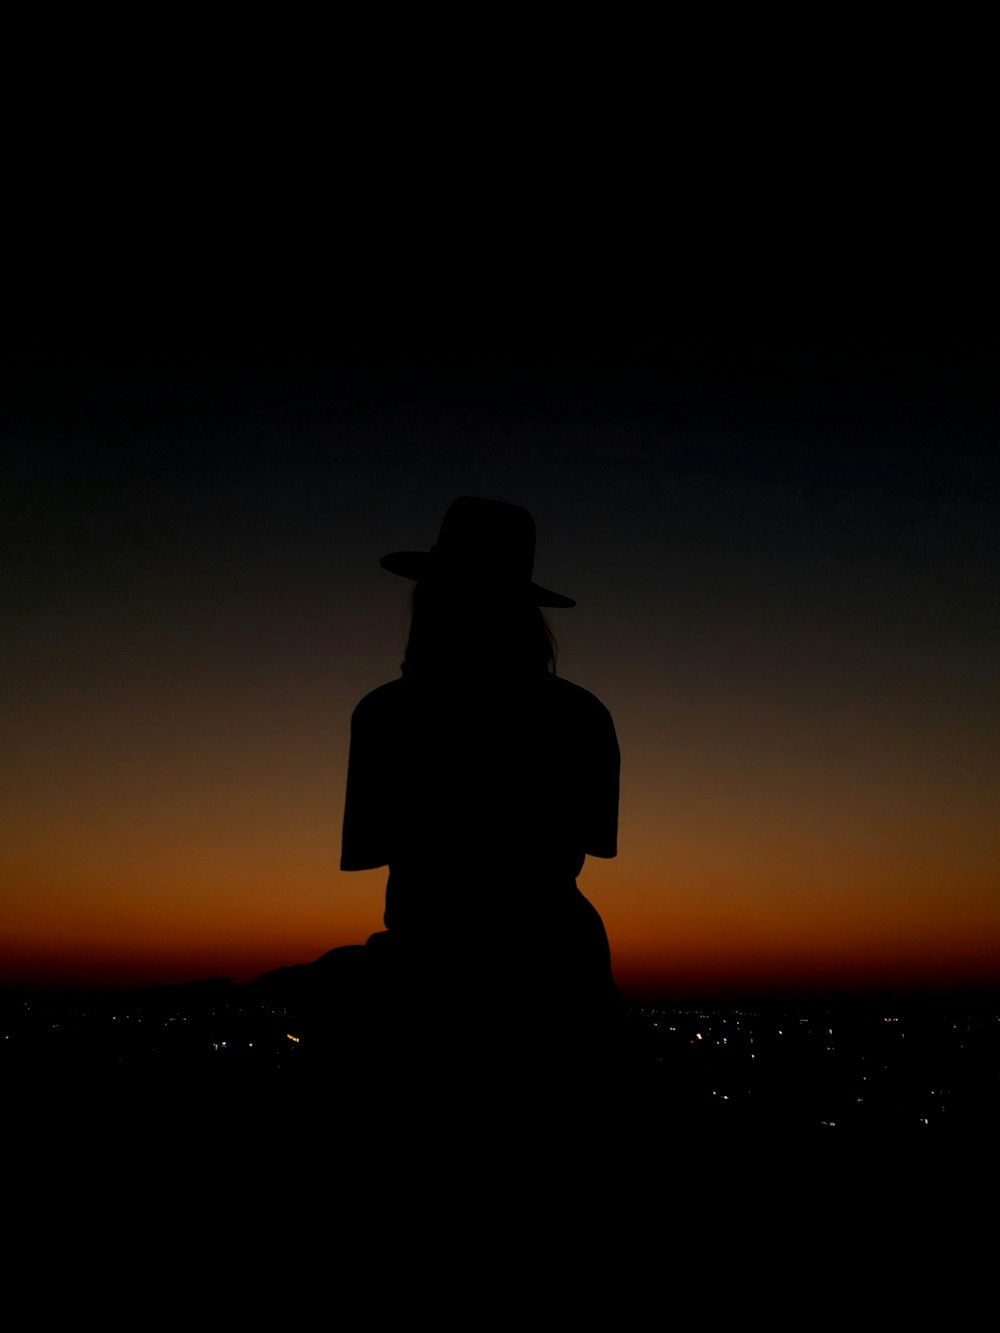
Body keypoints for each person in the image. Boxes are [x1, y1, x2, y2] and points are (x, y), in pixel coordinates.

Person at [341, 497, 621, 1069]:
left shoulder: (386, 715)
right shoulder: (582, 715)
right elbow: (578, 853)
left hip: (433, 990)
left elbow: (402, 871)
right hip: (563, 978)